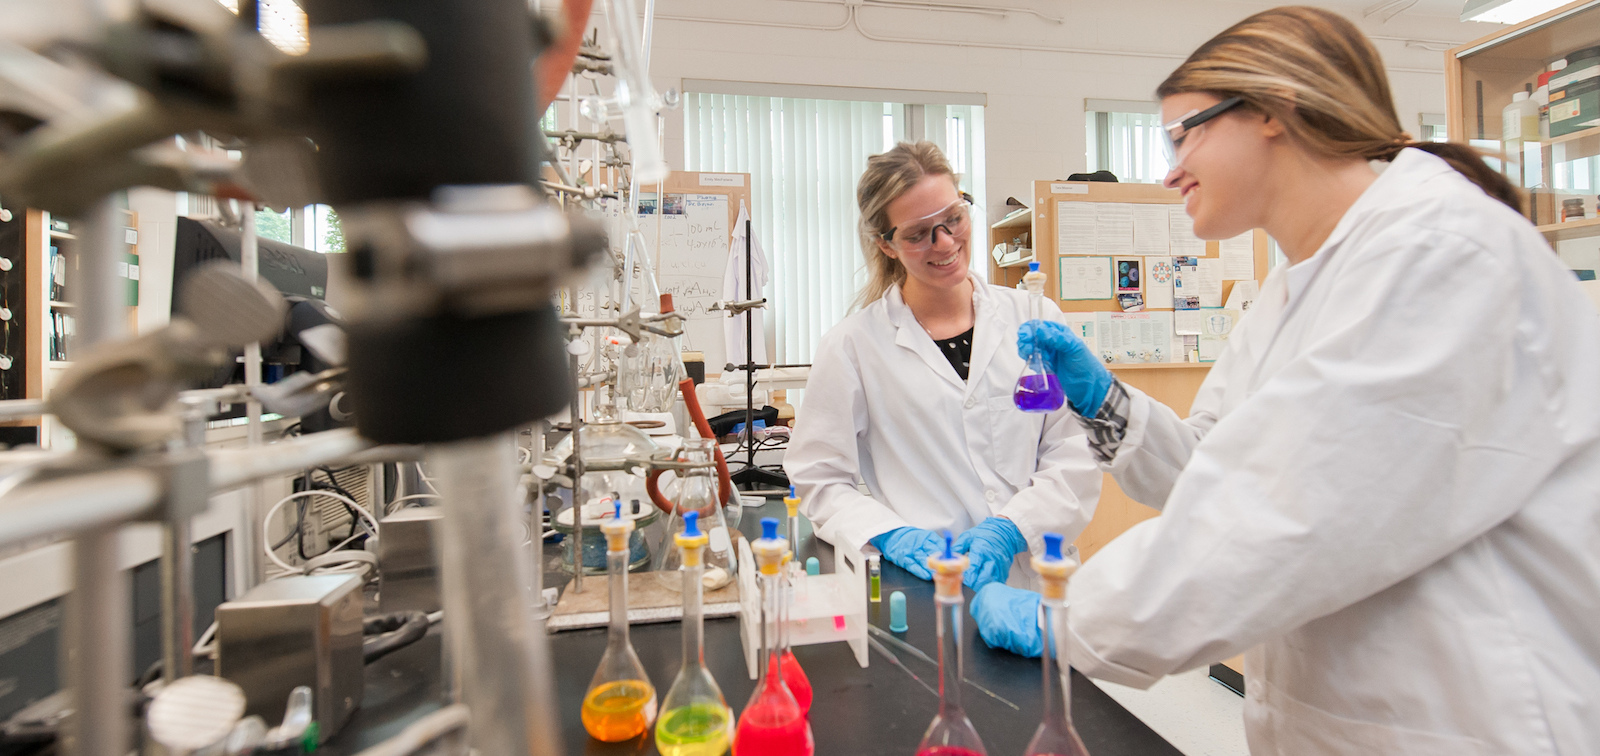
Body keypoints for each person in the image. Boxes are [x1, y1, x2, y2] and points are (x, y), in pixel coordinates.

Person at [970, 7, 1600, 753]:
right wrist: (1105, 403)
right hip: (1339, 714)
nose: (1171, 169)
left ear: (1272, 108)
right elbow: (1217, 468)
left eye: (1186, 132)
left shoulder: (1443, 252)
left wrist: (1061, 613)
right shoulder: (1296, 285)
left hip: (1463, 717)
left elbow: (1277, 517)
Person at [784, 141, 1101, 590]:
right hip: (932, 582)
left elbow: (1074, 451)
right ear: (886, 245)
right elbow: (818, 478)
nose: (946, 243)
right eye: (918, 234)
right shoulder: (852, 346)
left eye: (953, 218)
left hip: (1042, 576)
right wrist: (891, 535)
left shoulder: (1035, 316)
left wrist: (1013, 528)